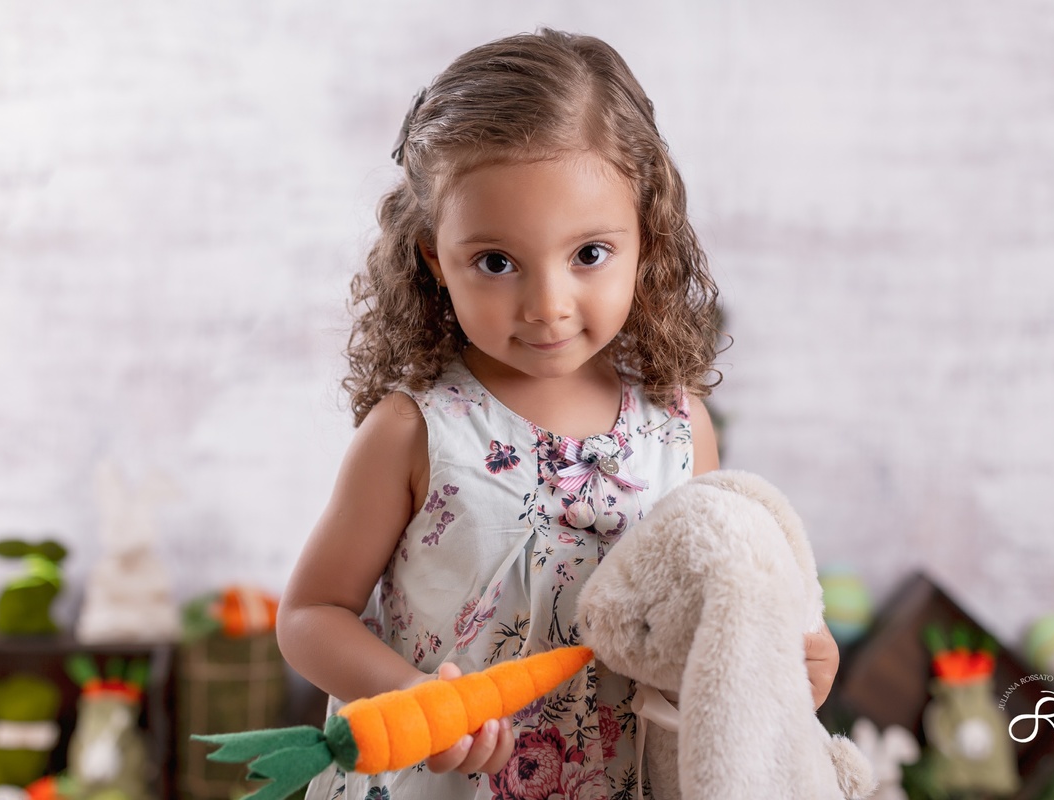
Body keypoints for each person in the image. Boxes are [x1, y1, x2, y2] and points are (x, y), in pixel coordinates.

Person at [277, 27, 839, 800]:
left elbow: (705, 608)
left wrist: (783, 659)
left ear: (645, 237)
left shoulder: (678, 427)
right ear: (436, 259)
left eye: (589, 255)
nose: (547, 305)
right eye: (497, 262)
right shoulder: (418, 431)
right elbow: (311, 613)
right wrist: (412, 695)